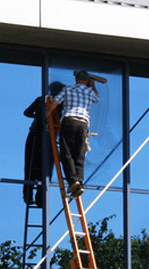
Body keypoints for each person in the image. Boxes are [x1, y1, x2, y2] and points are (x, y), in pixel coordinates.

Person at [47, 70, 100, 198]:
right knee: (79, 155)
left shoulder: (67, 89)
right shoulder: (89, 92)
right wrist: (92, 86)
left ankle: (72, 181)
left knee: (66, 153)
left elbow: (56, 101)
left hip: (69, 121)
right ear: (87, 81)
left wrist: (47, 114)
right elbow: (97, 99)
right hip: (83, 125)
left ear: (77, 80)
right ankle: (79, 183)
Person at [22, 82, 65, 206]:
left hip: (36, 135)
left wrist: (38, 116)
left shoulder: (42, 100)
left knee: (30, 166)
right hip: (47, 138)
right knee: (45, 170)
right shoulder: (60, 104)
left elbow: (27, 113)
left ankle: (29, 196)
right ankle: (40, 199)